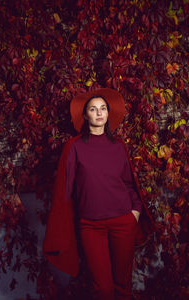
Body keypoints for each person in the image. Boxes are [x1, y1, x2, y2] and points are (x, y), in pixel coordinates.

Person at [43, 88, 156, 300]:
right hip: (91, 226)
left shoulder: (119, 146)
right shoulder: (74, 147)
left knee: (123, 286)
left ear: (107, 113)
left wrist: (135, 212)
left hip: (123, 221)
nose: (99, 113)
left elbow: (129, 182)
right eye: (93, 109)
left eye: (103, 108)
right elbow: (64, 190)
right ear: (85, 115)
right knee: (102, 289)